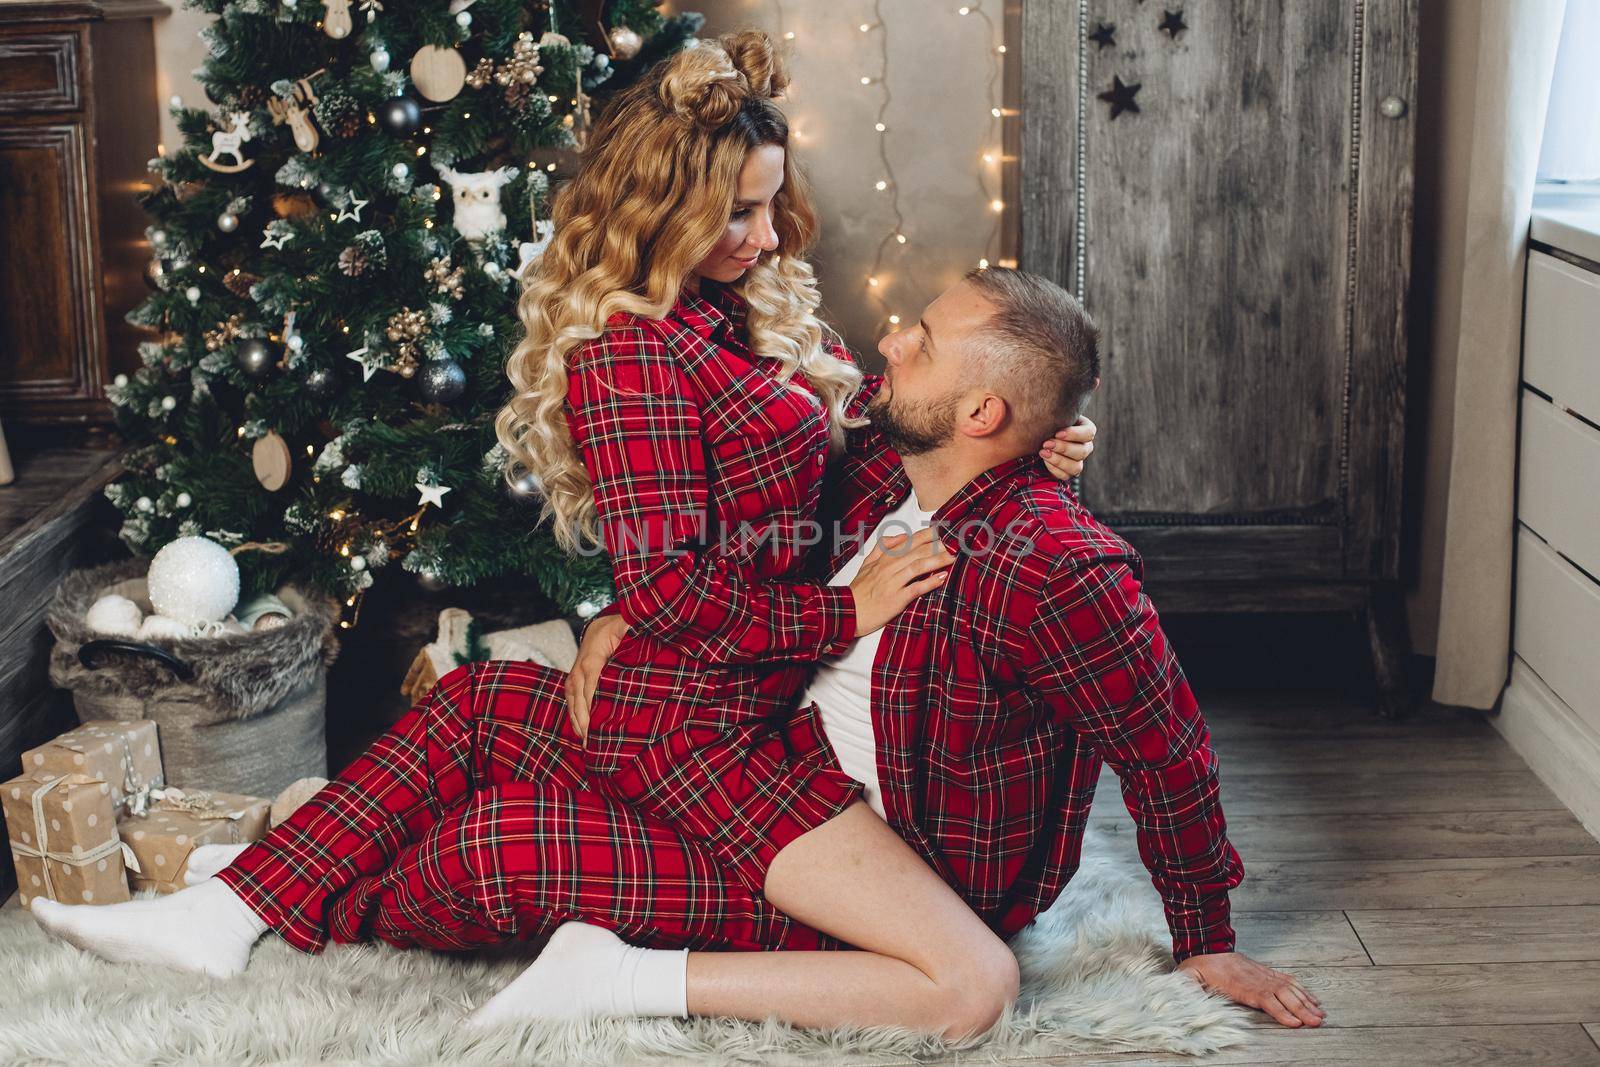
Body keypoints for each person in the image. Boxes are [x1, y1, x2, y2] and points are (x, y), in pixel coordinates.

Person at [29, 31, 1097, 1040]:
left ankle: (248, 887)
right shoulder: (631, 356)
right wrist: (838, 609)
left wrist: (1025, 433)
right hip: (707, 711)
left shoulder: (735, 306)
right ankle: (251, 900)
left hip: (745, 700)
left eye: (771, 206)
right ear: (660, 210)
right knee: (491, 836)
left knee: (484, 713)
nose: (767, 236)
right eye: (738, 214)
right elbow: (676, 586)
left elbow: (864, 434)